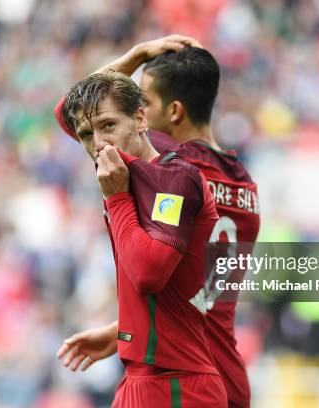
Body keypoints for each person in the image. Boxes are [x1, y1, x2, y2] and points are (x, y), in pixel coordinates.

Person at [56, 36, 260, 408]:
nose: (100, 142)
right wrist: (124, 331)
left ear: (167, 114)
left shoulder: (175, 172)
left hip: (182, 374)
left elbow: (70, 116)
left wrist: (133, 57)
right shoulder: (241, 180)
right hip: (217, 364)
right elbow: (195, 285)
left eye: (143, 101)